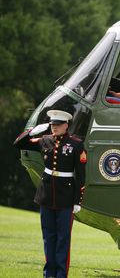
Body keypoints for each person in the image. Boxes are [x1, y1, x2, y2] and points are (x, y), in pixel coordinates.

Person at [13, 110, 87, 278]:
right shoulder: (45, 140)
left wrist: (78, 201)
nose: (54, 128)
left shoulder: (76, 144)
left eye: (58, 125)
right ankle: (49, 274)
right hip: (46, 195)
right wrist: (32, 131)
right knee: (48, 237)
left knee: (63, 239)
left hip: (66, 197)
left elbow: (81, 175)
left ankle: (61, 274)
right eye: (52, 125)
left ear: (66, 125)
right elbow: (18, 143)